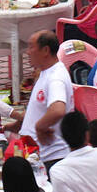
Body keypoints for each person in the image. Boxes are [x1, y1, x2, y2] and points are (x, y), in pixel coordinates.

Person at [20, 30, 74, 170]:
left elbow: (58, 110)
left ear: (45, 50)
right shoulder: (46, 72)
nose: (27, 52)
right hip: (37, 156)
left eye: (31, 47)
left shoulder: (56, 77)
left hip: (50, 159)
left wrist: (39, 127)